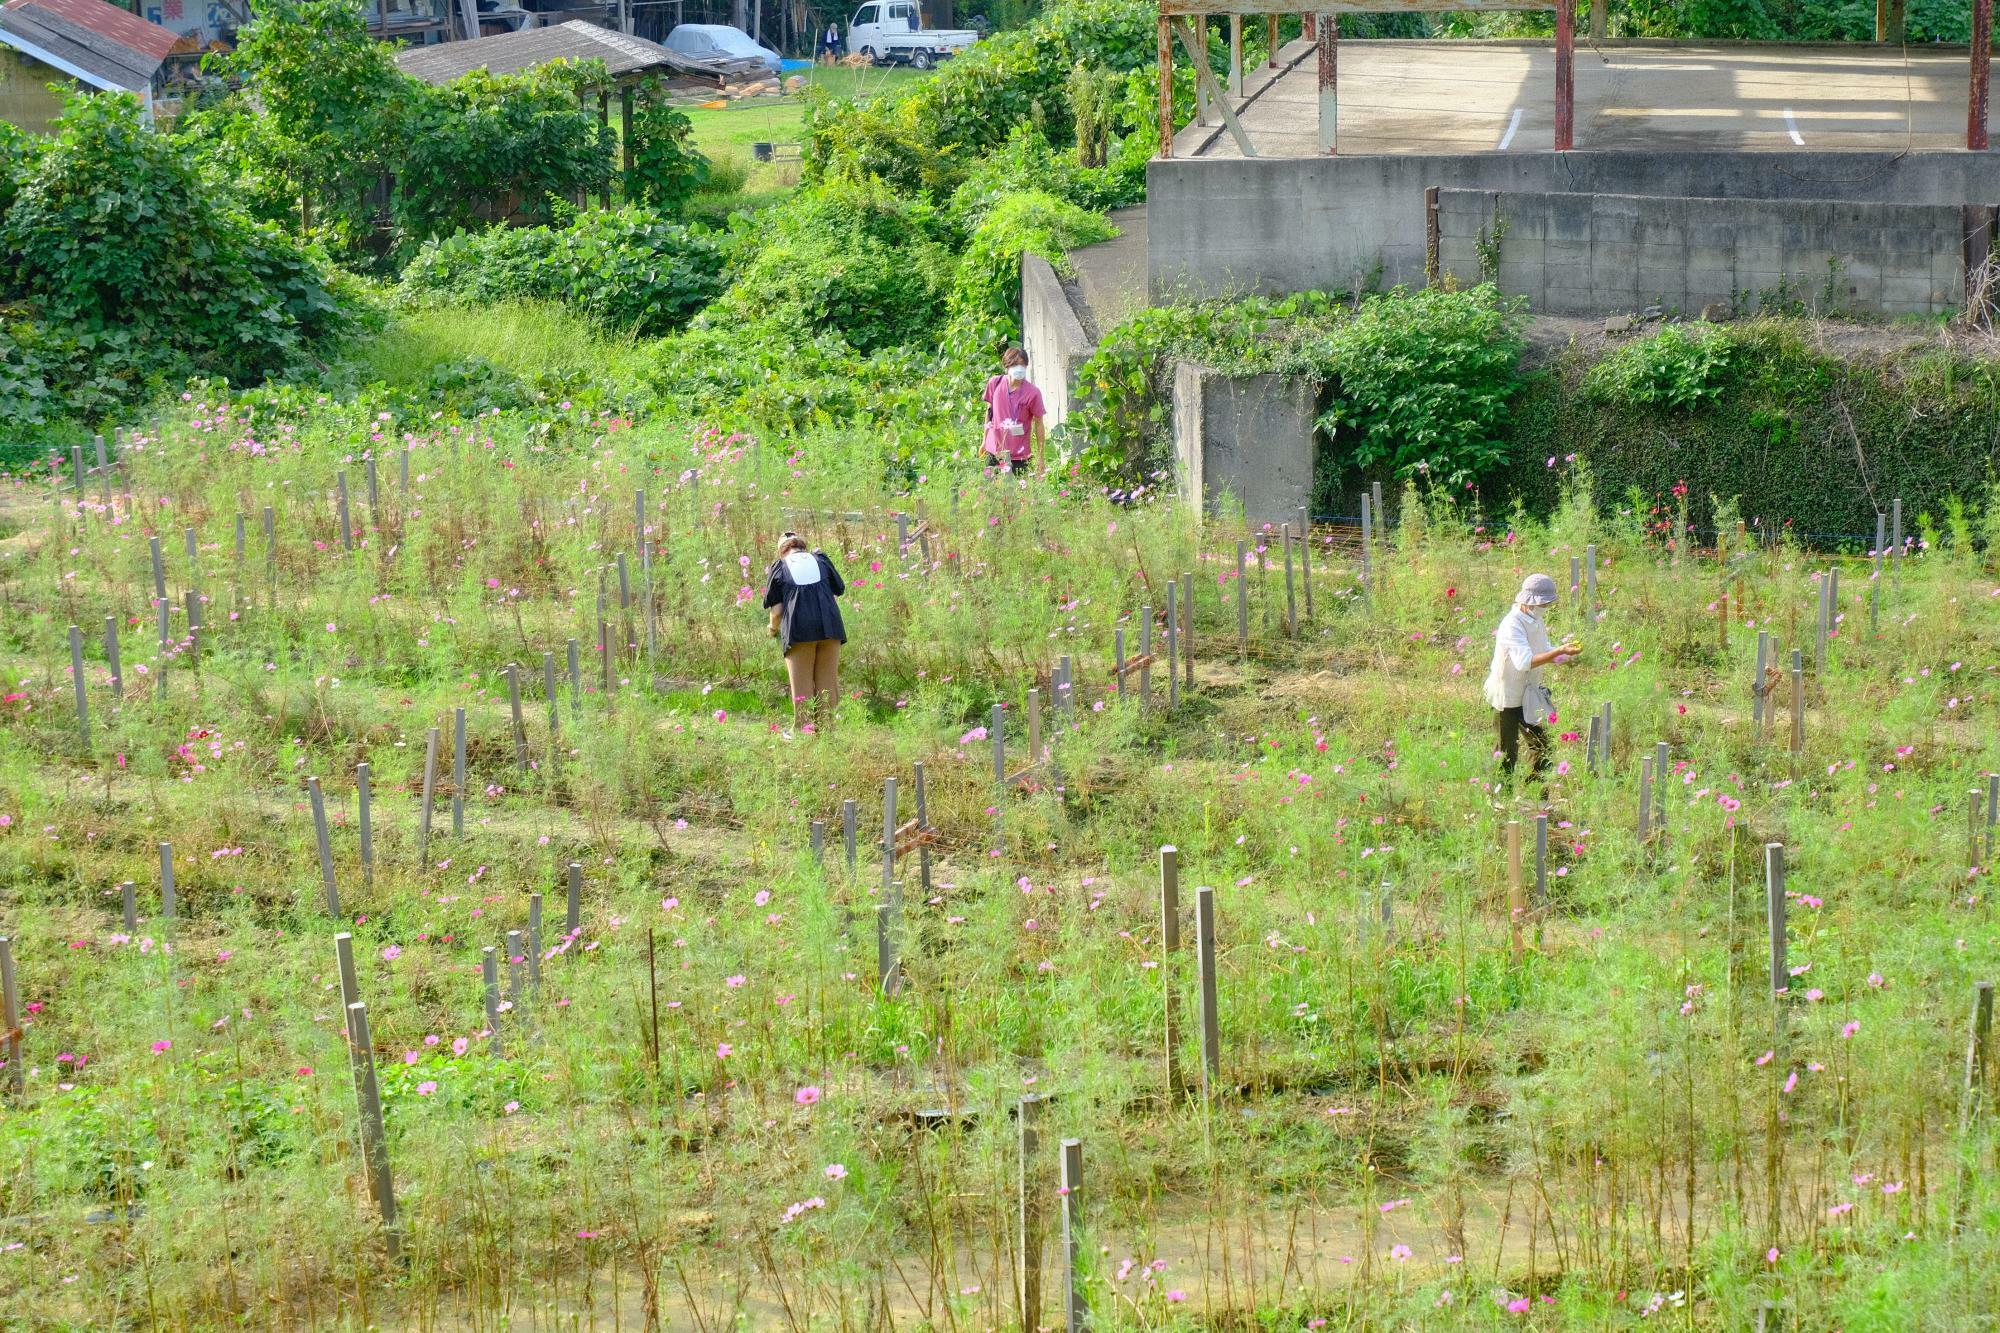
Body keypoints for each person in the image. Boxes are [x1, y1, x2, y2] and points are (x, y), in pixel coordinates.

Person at [1482, 573, 1580, 778]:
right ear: (1529, 601)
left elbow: (1544, 650)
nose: (1545, 608)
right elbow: (1524, 661)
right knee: (1506, 753)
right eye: (1543, 604)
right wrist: (1559, 651)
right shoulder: (1512, 624)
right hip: (1507, 696)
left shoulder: (1535, 621)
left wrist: (1564, 657)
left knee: (1542, 745)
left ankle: (1536, 793)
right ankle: (1500, 799)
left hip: (1528, 694)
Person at [764, 532, 847, 730]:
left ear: (782, 551)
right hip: (831, 627)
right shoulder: (821, 560)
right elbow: (836, 591)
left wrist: (772, 629)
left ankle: (803, 732)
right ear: (803, 546)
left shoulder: (780, 567)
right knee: (827, 684)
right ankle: (827, 731)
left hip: (799, 631)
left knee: (801, 687)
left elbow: (777, 612)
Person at [982, 345, 1046, 476]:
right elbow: (989, 412)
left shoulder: (1033, 393)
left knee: (1018, 494)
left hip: (1019, 456)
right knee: (990, 493)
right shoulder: (995, 383)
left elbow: (1039, 423)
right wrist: (984, 440)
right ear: (1007, 366)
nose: (1019, 368)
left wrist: (1040, 456)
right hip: (993, 451)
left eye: (1022, 364)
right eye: (1015, 364)